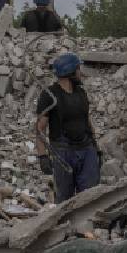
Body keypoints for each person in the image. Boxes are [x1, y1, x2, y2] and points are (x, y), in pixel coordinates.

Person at [34, 53, 100, 202]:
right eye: (78, 68)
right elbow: (40, 129)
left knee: (91, 198)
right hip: (63, 153)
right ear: (70, 71)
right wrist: (42, 155)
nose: (80, 72)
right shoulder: (49, 95)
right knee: (64, 201)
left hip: (86, 149)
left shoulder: (81, 92)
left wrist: (96, 146)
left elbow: (87, 120)